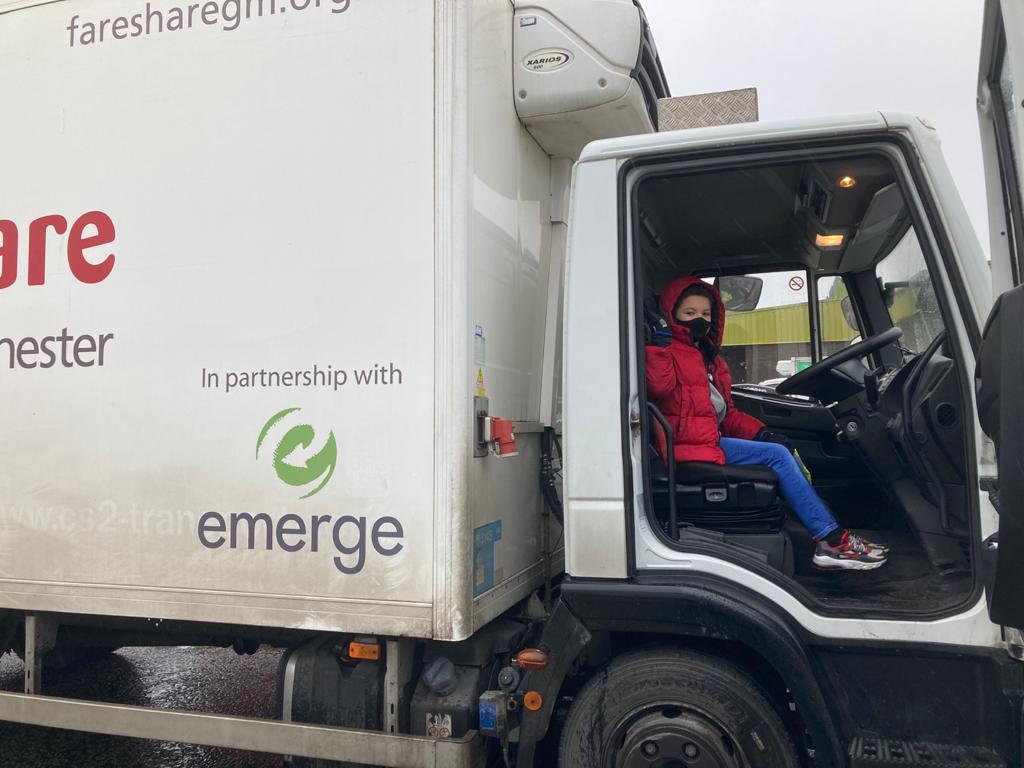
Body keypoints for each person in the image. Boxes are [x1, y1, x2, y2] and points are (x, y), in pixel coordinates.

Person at [645, 276, 888, 570]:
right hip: (683, 447)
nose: (700, 320)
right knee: (777, 458)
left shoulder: (710, 360)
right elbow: (658, 389)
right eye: (690, 313)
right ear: (672, 315)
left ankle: (828, 532)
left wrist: (763, 432)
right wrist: (658, 344)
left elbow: (729, 414)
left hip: (708, 441)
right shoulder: (667, 352)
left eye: (706, 314)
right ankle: (831, 540)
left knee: (779, 450)